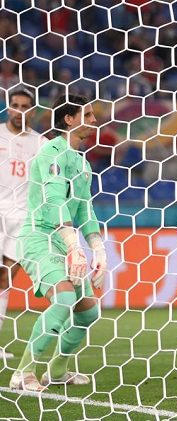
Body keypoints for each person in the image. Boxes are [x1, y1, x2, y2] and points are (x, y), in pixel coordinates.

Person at [9, 94, 106, 391]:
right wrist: (73, 244)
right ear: (69, 119)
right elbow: (53, 201)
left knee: (88, 310)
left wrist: (97, 247)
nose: (94, 120)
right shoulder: (50, 152)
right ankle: (23, 373)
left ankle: (58, 371)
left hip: (65, 240)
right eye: (87, 115)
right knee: (64, 297)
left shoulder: (82, 162)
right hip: (39, 236)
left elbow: (84, 208)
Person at [0, 88, 42, 360]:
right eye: (15, 105)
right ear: (8, 107)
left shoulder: (41, 143)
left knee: (5, 278)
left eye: (25, 106)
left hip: (22, 219)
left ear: (33, 110)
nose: (19, 110)